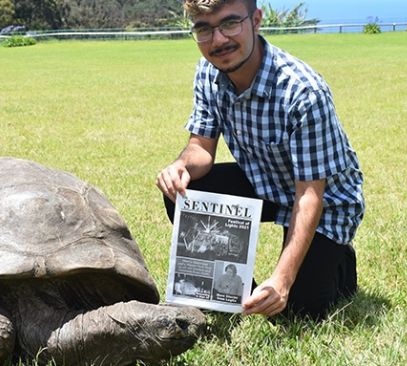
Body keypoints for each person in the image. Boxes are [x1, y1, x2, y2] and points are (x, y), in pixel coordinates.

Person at [156, 0, 364, 320]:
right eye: (203, 29)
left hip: (325, 203)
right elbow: (200, 149)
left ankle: (338, 262)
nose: (218, 40)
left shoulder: (303, 91)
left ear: (256, 20)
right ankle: (234, 295)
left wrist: (282, 279)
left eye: (229, 23)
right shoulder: (208, 72)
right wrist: (180, 167)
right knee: (186, 190)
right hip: (265, 180)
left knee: (297, 312)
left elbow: (310, 195)